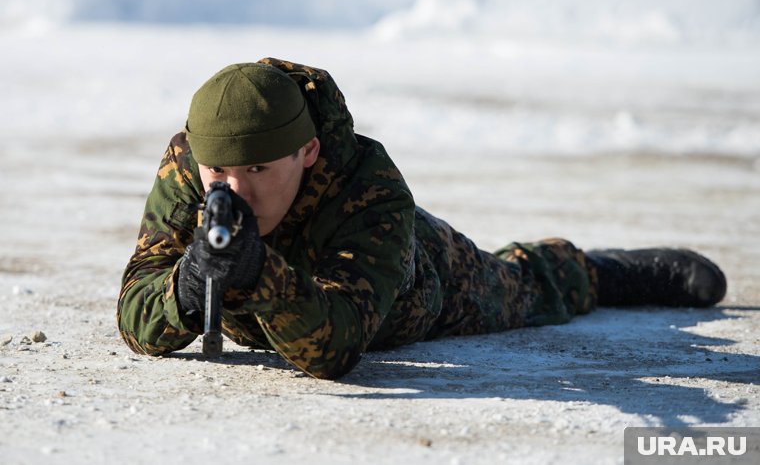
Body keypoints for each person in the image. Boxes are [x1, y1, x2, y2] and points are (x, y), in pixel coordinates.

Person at [117, 58, 727, 379]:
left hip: (417, 290)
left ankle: (594, 272)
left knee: (517, 288)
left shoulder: (369, 185)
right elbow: (136, 316)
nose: (234, 189)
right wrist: (190, 284)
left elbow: (336, 348)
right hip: (301, 297)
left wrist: (257, 272)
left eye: (257, 171)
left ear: (307, 151)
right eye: (219, 173)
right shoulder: (189, 164)